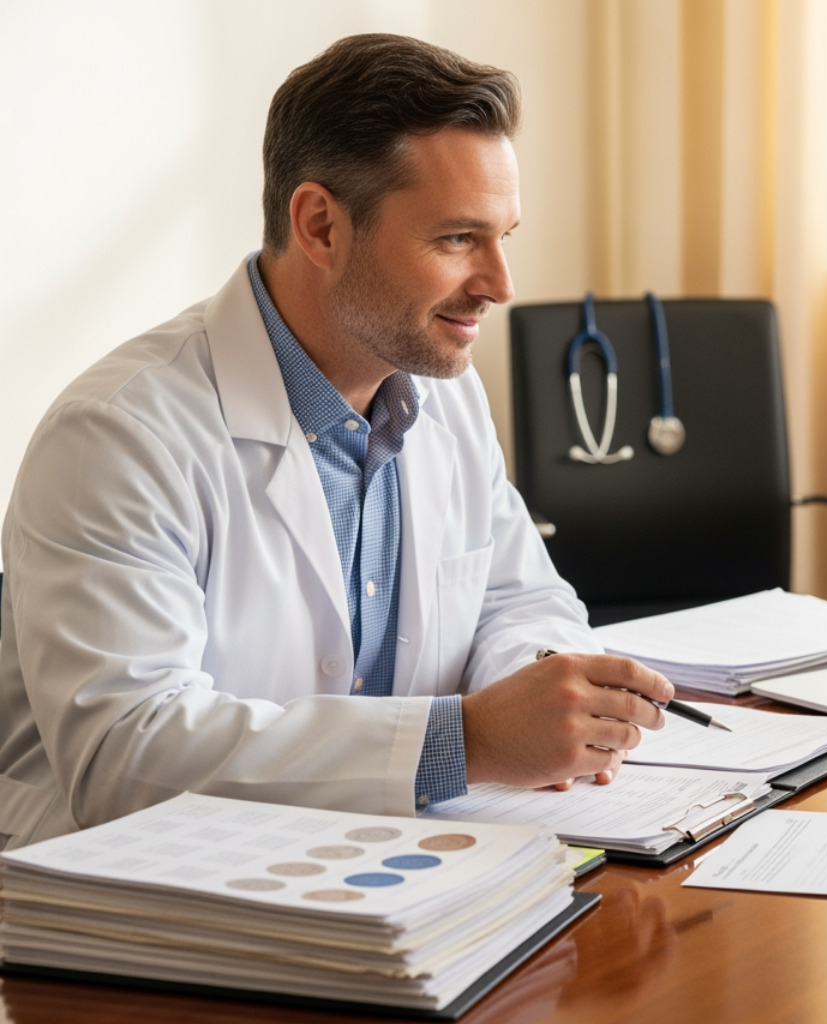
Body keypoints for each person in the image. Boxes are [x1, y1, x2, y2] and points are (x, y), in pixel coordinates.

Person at [0, 33, 673, 852]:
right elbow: (124, 755)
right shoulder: (118, 436)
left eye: (504, 236)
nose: (501, 284)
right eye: (458, 239)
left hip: (393, 870)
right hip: (145, 911)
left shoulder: (442, 394)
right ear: (320, 225)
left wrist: (549, 696)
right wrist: (466, 742)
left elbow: (516, 596)